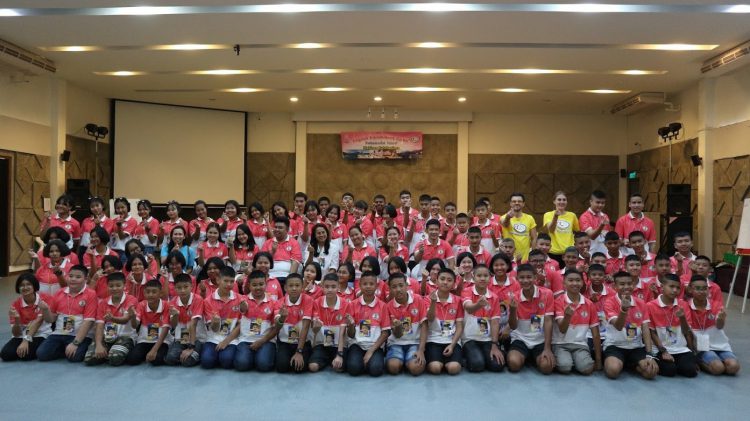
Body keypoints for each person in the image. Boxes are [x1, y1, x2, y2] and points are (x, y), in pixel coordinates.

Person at [602, 271, 658, 379]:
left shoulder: (641, 303)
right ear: (614, 286)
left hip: (635, 346)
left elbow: (645, 330)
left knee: (651, 372)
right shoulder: (609, 302)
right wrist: (623, 310)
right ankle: (624, 363)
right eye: (622, 284)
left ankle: (629, 364)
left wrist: (649, 354)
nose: (626, 287)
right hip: (615, 345)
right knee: (612, 371)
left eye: (629, 283)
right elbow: (618, 326)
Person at [37, 265, 97, 362]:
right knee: (41, 354)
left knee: (75, 357)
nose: (73, 279)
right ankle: (66, 349)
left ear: (86, 279)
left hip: (80, 335)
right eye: (70, 276)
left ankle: (70, 348)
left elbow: (88, 322)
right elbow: (51, 319)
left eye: (78, 277)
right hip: (59, 333)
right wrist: (45, 310)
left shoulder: (91, 294)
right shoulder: (59, 293)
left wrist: (75, 343)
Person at [686, 275, 740, 375]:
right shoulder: (686, 306)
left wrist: (720, 319)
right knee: (718, 368)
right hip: (702, 348)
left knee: (734, 367)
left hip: (720, 345)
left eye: (704, 288)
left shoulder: (716, 304)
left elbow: (720, 326)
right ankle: (702, 361)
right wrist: (692, 352)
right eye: (697, 288)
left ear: (708, 290)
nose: (701, 291)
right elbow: (687, 332)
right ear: (690, 289)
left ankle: (718, 361)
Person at [507, 264, 556, 374]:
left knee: (547, 368)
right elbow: (513, 326)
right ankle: (524, 356)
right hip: (520, 339)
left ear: (535, 277)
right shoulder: (514, 297)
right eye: (522, 277)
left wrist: (547, 348)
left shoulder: (547, 294)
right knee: (514, 364)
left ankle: (533, 358)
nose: (525, 280)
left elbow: (548, 321)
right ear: (517, 279)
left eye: (529, 277)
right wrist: (513, 310)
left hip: (540, 340)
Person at [647, 274, 697, 377]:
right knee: (670, 371)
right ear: (662, 287)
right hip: (660, 348)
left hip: (680, 348)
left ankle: (679, 364)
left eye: (678, 288)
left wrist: (682, 318)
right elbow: (652, 333)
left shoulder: (683, 305)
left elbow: (686, 332)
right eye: (671, 286)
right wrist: (663, 351)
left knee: (690, 371)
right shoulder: (650, 306)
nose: (675, 290)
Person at [552, 270, 601, 375]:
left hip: (580, 344)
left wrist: (598, 359)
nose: (574, 283)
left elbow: (595, 334)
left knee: (587, 369)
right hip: (560, 344)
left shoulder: (589, 304)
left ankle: (576, 361)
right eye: (570, 280)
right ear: (564, 283)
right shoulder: (558, 301)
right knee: (565, 367)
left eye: (578, 280)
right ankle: (569, 361)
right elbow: (562, 329)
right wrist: (567, 316)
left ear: (582, 283)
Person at [83, 272, 138, 366]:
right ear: (107, 286)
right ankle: (107, 352)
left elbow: (125, 319)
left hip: (125, 337)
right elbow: (99, 325)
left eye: (118, 285)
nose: (114, 288)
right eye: (111, 286)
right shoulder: (103, 303)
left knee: (114, 359)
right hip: (107, 337)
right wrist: (99, 345)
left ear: (124, 285)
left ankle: (111, 353)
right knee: (89, 359)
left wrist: (112, 318)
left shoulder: (131, 299)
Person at [345, 271, 391, 376]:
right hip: (357, 345)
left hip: (375, 346)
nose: (368, 286)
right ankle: (361, 363)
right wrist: (351, 325)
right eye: (365, 284)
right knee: (353, 369)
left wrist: (371, 351)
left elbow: (385, 333)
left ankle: (368, 362)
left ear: (376, 286)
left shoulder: (382, 306)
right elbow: (350, 335)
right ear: (360, 285)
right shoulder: (353, 304)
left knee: (376, 370)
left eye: (371, 284)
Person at [461, 265, 504, 372]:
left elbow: (495, 322)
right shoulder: (467, 291)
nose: (482, 278)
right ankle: (465, 358)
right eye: (479, 276)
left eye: (485, 276)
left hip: (486, 339)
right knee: (477, 365)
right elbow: (469, 308)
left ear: (490, 278)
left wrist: (494, 345)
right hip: (469, 338)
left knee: (497, 366)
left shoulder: (494, 297)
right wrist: (478, 305)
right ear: (473, 277)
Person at [1, 274, 52, 361]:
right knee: (6, 354)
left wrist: (26, 340)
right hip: (22, 334)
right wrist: (17, 320)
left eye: (28, 284)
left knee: (26, 355)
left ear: (34, 285)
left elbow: (38, 322)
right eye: (22, 285)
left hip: (40, 333)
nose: (25, 287)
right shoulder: (15, 304)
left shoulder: (44, 299)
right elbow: (16, 334)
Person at [234, 271, 278, 372]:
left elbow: (275, 327)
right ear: (249, 285)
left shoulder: (273, 302)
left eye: (261, 284)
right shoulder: (243, 299)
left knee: (264, 365)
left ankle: (259, 357)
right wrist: (243, 306)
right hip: (246, 340)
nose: (258, 287)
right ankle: (252, 357)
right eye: (254, 285)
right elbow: (242, 309)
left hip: (266, 341)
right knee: (242, 364)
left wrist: (262, 341)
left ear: (266, 284)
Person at [385, 273, 427, 376]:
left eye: (401, 285)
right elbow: (397, 335)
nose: (398, 289)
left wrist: (421, 350)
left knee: (416, 369)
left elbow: (424, 326)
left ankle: (408, 361)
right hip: (396, 343)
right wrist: (398, 327)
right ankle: (403, 361)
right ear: (390, 289)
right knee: (393, 368)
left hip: (414, 342)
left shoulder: (418, 299)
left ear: (407, 286)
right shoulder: (388, 307)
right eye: (394, 287)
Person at [200, 267, 242, 369]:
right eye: (226, 281)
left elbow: (240, 325)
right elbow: (214, 329)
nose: (229, 284)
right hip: (213, 338)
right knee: (206, 362)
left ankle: (222, 356)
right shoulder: (208, 301)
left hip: (231, 339)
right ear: (218, 280)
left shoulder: (240, 299)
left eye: (231, 281)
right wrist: (215, 322)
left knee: (226, 361)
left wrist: (226, 341)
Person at [425, 269, 464, 375]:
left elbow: (459, 327)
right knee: (435, 368)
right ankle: (438, 361)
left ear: (454, 284)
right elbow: (430, 319)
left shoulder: (457, 300)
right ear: (436, 281)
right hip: (433, 340)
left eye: (449, 280)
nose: (445, 282)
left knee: (454, 369)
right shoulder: (428, 298)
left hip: (452, 340)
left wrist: (452, 345)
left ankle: (446, 361)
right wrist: (433, 302)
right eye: (442, 279)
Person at [308, 273, 348, 373]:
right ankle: (327, 359)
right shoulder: (317, 303)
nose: (330, 289)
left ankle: (333, 359)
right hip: (322, 344)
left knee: (338, 368)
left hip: (338, 345)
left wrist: (339, 354)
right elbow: (314, 331)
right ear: (322, 287)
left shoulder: (346, 304)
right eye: (327, 287)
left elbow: (343, 333)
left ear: (338, 287)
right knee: (312, 367)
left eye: (333, 287)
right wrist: (316, 327)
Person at [126, 280, 171, 366]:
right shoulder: (141, 305)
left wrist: (154, 350)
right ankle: (147, 354)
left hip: (162, 341)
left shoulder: (166, 305)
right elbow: (135, 325)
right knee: (132, 359)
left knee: (157, 360)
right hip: (144, 340)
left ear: (160, 293)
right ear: (144, 293)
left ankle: (151, 353)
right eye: (148, 292)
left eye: (154, 292)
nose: (150, 294)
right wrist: (132, 317)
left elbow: (166, 328)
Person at [274, 273, 313, 373]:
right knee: (281, 367)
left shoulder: (308, 300)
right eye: (291, 286)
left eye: (297, 285)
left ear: (302, 287)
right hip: (285, 342)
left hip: (303, 343)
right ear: (285, 288)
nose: (294, 288)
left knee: (299, 368)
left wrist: (299, 351)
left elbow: (305, 327)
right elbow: (277, 328)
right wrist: (282, 318)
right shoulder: (279, 303)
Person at [165, 273, 205, 367]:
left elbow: (193, 324)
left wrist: (191, 347)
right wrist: (176, 315)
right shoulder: (173, 302)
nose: (182, 290)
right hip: (182, 338)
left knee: (188, 362)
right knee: (170, 359)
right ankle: (186, 355)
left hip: (197, 339)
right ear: (175, 288)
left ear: (191, 286)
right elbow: (173, 325)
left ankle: (196, 352)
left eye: (186, 287)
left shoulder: (198, 299)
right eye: (179, 288)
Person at [260, 216, 302, 283]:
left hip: (287, 276)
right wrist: (272, 252)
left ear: (287, 230)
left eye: (280, 228)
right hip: (270, 276)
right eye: (275, 227)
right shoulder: (267, 243)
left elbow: (295, 262)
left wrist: (289, 280)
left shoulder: (294, 243)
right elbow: (262, 262)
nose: (277, 229)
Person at [543, 191, 579, 265]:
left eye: (564, 200)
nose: (562, 202)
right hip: (553, 252)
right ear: (554, 201)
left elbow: (578, 232)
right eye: (559, 200)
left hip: (569, 252)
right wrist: (555, 217)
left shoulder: (572, 215)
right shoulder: (548, 214)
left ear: (567, 202)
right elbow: (551, 230)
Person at [500, 193, 537, 261]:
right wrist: (508, 217)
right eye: (514, 201)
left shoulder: (530, 218)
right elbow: (505, 224)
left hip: (525, 258)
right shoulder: (503, 217)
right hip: (508, 258)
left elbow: (534, 238)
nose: (517, 203)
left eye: (519, 201)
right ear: (510, 203)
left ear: (523, 204)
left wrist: (534, 255)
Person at [578, 190, 611, 255]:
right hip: (590, 254)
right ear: (591, 202)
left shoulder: (605, 216)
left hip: (604, 255)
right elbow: (592, 236)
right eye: (597, 202)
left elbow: (607, 237)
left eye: (603, 203)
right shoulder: (584, 216)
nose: (600, 205)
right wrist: (601, 225)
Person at [110, 197, 137, 264]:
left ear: (127, 207)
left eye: (122, 207)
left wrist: (119, 226)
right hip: (113, 250)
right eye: (118, 208)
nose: (120, 210)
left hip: (125, 251)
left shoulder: (132, 221)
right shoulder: (113, 221)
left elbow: (122, 237)